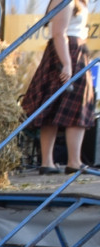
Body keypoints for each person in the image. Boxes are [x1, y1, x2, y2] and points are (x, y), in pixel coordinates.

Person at [22, 0, 95, 174]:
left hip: (72, 51)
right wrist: (67, 63)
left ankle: (66, 161)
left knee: (62, 107)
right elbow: (58, 33)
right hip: (67, 52)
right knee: (68, 106)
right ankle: (63, 162)